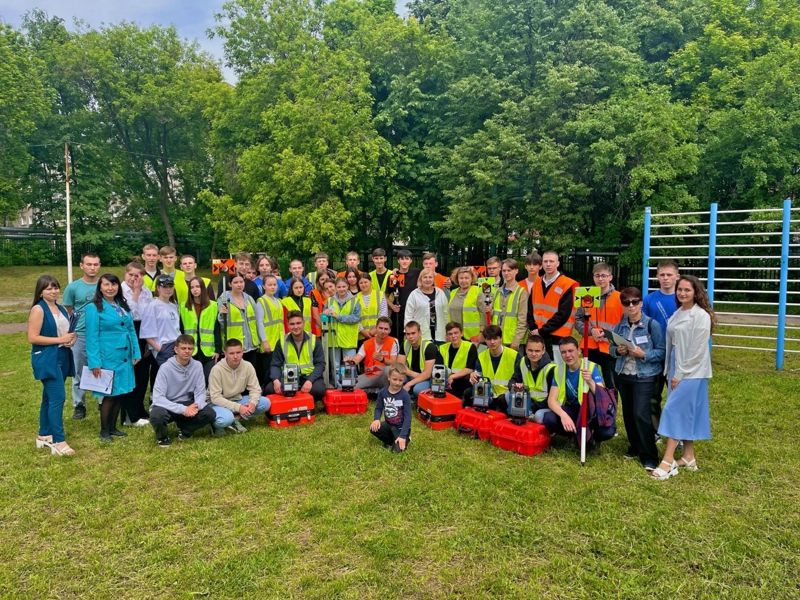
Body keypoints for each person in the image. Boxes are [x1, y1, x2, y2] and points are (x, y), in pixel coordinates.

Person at [651, 275, 715, 480]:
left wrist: (680, 374)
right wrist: (670, 371)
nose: (682, 293)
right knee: (686, 411)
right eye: (680, 290)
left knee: (674, 411)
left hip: (692, 372)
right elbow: (672, 344)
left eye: (687, 290)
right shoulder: (678, 313)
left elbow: (697, 351)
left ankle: (668, 461)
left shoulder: (701, 316)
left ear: (696, 292)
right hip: (675, 368)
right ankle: (688, 456)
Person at [610, 287, 665, 472]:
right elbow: (611, 347)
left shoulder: (652, 325)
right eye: (626, 303)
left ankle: (649, 456)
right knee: (628, 414)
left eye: (634, 302)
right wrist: (617, 350)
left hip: (645, 375)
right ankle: (634, 447)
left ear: (641, 303)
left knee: (642, 415)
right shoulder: (621, 325)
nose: (631, 306)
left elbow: (662, 351)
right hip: (624, 374)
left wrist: (643, 354)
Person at [84, 273, 141, 442]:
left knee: (120, 392)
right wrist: (94, 362)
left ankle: (113, 427)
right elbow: (91, 337)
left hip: (124, 356)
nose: (110, 288)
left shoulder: (120, 304)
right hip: (107, 357)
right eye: (106, 285)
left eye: (114, 284)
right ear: (100, 287)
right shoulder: (94, 307)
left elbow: (131, 330)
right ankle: (104, 431)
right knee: (109, 394)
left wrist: (136, 352)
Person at [28, 275, 77, 456]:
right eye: (49, 288)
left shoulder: (61, 308)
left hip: (63, 355)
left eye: (56, 287)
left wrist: (70, 339)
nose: (53, 291)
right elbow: (32, 337)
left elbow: (67, 333)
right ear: (41, 292)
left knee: (48, 397)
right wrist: (59, 339)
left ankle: (43, 435)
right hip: (47, 358)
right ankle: (58, 440)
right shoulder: (38, 310)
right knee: (58, 397)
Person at [541, 337, 614, 447]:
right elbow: (551, 400)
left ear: (579, 350)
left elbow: (602, 395)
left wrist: (590, 381)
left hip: (590, 411)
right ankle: (572, 434)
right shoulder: (559, 369)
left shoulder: (590, 367)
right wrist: (563, 415)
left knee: (607, 432)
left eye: (571, 351)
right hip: (572, 409)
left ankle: (593, 439)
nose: (567, 355)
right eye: (563, 352)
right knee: (549, 418)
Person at [148, 334, 215, 446]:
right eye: (183, 348)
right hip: (168, 404)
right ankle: (162, 438)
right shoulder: (165, 368)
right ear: (176, 349)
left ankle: (185, 430)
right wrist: (183, 409)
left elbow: (200, 392)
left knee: (210, 413)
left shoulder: (197, 366)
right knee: (156, 415)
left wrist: (196, 405)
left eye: (190, 349)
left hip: (187, 403)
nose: (187, 351)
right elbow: (158, 398)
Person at [62, 251, 100, 420]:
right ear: (82, 266)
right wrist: (74, 331)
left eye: (96, 264)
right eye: (89, 264)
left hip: (101, 334)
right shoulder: (73, 287)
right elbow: (69, 310)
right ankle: (79, 404)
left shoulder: (104, 285)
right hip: (81, 335)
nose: (92, 268)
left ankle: (102, 400)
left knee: (101, 368)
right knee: (79, 370)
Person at [643, 259, 680, 429]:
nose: (665, 278)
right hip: (656, 354)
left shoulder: (683, 298)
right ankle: (655, 429)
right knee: (652, 396)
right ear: (657, 276)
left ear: (677, 276)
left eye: (669, 275)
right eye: (662, 275)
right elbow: (644, 327)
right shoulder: (649, 300)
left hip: (677, 355)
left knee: (677, 396)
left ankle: (677, 432)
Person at [574, 262, 623, 389]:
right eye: (597, 276)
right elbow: (578, 320)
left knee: (611, 384)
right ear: (593, 277)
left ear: (610, 277)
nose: (600, 279)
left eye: (603, 276)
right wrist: (591, 331)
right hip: (589, 346)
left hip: (610, 347)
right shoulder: (586, 294)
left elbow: (624, 323)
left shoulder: (620, 297)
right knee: (587, 383)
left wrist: (606, 334)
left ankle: (610, 406)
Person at [208, 338, 271, 435]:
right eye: (231, 353)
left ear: (242, 352)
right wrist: (239, 408)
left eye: (238, 352)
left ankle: (235, 420)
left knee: (265, 403)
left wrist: (252, 404)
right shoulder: (217, 369)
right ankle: (216, 423)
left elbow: (255, 389)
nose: (235, 356)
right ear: (225, 354)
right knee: (225, 419)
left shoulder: (247, 366)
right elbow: (215, 398)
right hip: (216, 404)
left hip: (237, 399)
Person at [266, 311, 327, 408]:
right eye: (292, 324)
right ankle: (297, 399)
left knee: (318, 390)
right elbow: (275, 364)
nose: (296, 327)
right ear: (288, 325)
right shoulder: (281, 341)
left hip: (308, 377)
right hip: (288, 378)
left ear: (303, 323)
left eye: (298, 323)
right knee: (269, 389)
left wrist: (310, 381)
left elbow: (320, 364)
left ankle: (297, 400)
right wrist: (276, 380)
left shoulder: (315, 340)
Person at [529, 250, 578, 367]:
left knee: (558, 371)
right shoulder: (536, 283)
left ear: (558, 263)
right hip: (538, 336)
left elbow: (563, 314)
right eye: (545, 261)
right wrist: (533, 327)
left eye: (551, 261)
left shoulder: (567, 284)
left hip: (558, 337)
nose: (548, 264)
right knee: (542, 371)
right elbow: (530, 309)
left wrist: (542, 331)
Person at [119, 262, 153, 427]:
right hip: (127, 331)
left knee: (142, 374)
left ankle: (139, 409)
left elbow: (148, 313)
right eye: (131, 275)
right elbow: (130, 312)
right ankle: (129, 415)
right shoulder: (120, 290)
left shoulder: (146, 291)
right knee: (129, 374)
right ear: (126, 274)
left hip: (144, 331)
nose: (134, 278)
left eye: (138, 275)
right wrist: (136, 292)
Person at [465, 325, 520, 412]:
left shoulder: (514, 355)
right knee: (468, 392)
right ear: (485, 340)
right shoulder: (482, 356)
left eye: (495, 339)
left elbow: (520, 378)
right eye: (489, 339)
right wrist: (473, 376)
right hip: (488, 393)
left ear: (501, 338)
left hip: (506, 394)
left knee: (503, 400)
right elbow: (478, 375)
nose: (492, 342)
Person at [179, 276, 222, 384]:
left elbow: (217, 329)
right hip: (191, 351)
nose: (195, 289)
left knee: (209, 380)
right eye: (192, 287)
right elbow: (181, 329)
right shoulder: (183, 307)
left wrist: (218, 350)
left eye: (198, 286)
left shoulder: (213, 305)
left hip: (209, 351)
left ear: (203, 288)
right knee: (193, 381)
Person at [140, 275, 181, 376]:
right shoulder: (152, 306)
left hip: (177, 346)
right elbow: (147, 334)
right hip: (163, 347)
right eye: (164, 287)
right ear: (158, 288)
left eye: (170, 286)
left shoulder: (174, 305)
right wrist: (160, 350)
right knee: (164, 381)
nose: (168, 289)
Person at [508, 335, 555, 423]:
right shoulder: (522, 362)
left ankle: (529, 418)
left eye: (537, 351)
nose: (533, 354)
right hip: (528, 402)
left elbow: (551, 399)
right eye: (530, 350)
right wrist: (514, 386)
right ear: (526, 349)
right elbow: (512, 381)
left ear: (543, 350)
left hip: (544, 406)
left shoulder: (551, 369)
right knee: (508, 395)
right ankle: (524, 416)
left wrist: (530, 406)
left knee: (539, 416)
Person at [218, 273, 262, 367]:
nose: (239, 284)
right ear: (230, 284)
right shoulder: (224, 299)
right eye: (236, 282)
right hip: (234, 347)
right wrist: (221, 314)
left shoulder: (249, 299)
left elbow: (256, 320)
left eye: (241, 282)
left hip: (251, 345)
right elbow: (221, 324)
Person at [323, 277, 362, 384]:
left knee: (349, 364)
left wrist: (339, 317)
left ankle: (350, 386)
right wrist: (325, 314)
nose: (341, 289)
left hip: (348, 338)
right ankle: (337, 385)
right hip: (333, 338)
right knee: (335, 366)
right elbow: (324, 317)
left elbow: (356, 318)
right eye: (339, 287)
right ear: (335, 288)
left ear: (348, 286)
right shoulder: (330, 300)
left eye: (344, 286)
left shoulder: (355, 301)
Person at [348, 316, 399, 392]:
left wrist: (383, 359)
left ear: (389, 330)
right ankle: (373, 390)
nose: (383, 331)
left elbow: (394, 363)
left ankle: (386, 392)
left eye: (386, 329)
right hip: (370, 374)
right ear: (376, 328)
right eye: (380, 328)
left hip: (385, 376)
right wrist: (351, 361)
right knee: (348, 385)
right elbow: (357, 359)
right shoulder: (367, 343)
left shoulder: (393, 341)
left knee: (389, 369)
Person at [370, 365, 412, 452]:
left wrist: (403, 436)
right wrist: (376, 419)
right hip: (389, 424)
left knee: (397, 451)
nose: (397, 383)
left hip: (401, 428)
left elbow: (408, 418)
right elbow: (378, 408)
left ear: (404, 380)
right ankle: (390, 441)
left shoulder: (405, 396)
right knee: (373, 428)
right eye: (394, 379)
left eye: (400, 380)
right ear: (389, 378)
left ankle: (406, 437)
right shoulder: (382, 393)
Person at [491, 259, 529, 349]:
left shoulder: (521, 292)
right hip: (496, 340)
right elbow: (494, 316)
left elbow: (523, 320)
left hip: (513, 342)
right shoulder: (497, 291)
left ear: (516, 271)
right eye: (504, 271)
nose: (506, 273)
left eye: (509, 270)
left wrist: (516, 341)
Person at [255, 274, 285, 388]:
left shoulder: (278, 301)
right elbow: (259, 322)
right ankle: (266, 390)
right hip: (268, 341)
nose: (272, 287)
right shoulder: (261, 301)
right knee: (268, 370)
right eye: (269, 285)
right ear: (264, 286)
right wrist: (264, 341)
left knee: (277, 367)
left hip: (278, 340)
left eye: (274, 285)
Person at [404, 268, 448, 344]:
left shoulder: (440, 293)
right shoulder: (414, 294)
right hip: (422, 335)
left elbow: (446, 313)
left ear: (433, 279)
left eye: (430, 277)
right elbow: (408, 315)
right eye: (425, 277)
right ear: (420, 279)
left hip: (440, 335)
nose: (428, 280)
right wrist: (408, 332)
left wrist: (448, 331)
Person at [438, 322, 477, 400]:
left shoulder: (470, 347)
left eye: (456, 333)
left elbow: (470, 368)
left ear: (462, 333)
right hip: (446, 379)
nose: (453, 336)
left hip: (462, 379)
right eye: (450, 334)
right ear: (447, 336)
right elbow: (439, 368)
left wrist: (452, 376)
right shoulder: (442, 348)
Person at [387, 249, 419, 341]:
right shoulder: (393, 276)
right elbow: (385, 295)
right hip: (398, 313)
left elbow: (430, 274)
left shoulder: (417, 273)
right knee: (397, 339)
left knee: (412, 338)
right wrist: (392, 306)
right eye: (402, 259)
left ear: (411, 260)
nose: (404, 261)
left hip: (413, 312)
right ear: (398, 261)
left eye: (407, 259)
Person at [398, 321, 437, 397]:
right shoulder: (405, 344)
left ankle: (411, 393)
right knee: (395, 376)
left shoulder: (429, 347)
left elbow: (427, 374)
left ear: (419, 333)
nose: (410, 336)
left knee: (418, 390)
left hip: (429, 379)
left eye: (413, 333)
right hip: (415, 375)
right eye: (408, 334)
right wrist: (413, 374)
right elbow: (399, 367)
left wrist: (409, 383)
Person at [447, 267, 484, 342]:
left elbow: (483, 313)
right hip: (455, 335)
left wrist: (481, 332)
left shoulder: (478, 291)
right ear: (457, 279)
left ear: (472, 279)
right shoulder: (453, 292)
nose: (464, 280)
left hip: (473, 336)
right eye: (461, 278)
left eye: (467, 278)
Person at [357, 273, 387, 340]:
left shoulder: (380, 295)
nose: (363, 284)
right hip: (361, 336)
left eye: (365, 282)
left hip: (378, 335)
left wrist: (375, 330)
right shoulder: (355, 298)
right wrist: (362, 331)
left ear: (371, 282)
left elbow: (383, 315)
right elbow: (354, 318)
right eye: (361, 283)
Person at [310, 270, 333, 335]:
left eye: (327, 279)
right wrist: (324, 329)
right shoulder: (314, 293)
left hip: (335, 328)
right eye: (322, 279)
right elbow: (315, 316)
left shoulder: (335, 291)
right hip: (321, 328)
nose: (325, 281)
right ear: (318, 281)